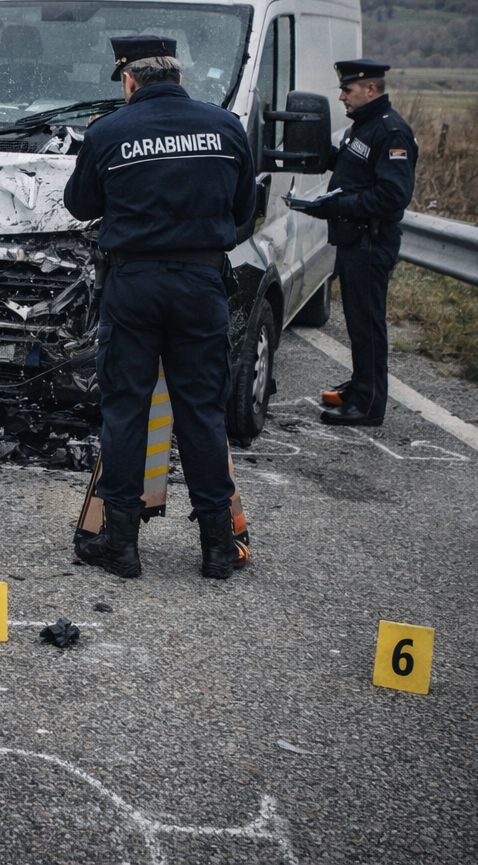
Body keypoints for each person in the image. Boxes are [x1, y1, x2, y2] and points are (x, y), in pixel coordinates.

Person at [63, 35, 256, 580]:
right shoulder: (225, 128)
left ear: (129, 81)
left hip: (135, 286)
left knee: (127, 410)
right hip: (201, 285)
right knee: (202, 412)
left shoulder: (109, 132)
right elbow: (244, 210)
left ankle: (121, 545)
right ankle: (219, 547)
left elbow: (80, 204)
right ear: (176, 74)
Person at [293, 59, 416, 427]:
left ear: (371, 90)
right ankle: (363, 384)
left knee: (367, 324)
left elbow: (393, 196)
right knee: (357, 321)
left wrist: (337, 206)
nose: (342, 96)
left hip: (370, 241)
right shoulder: (362, 128)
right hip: (353, 240)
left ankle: (369, 404)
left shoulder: (391, 132)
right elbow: (351, 171)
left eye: (348, 90)